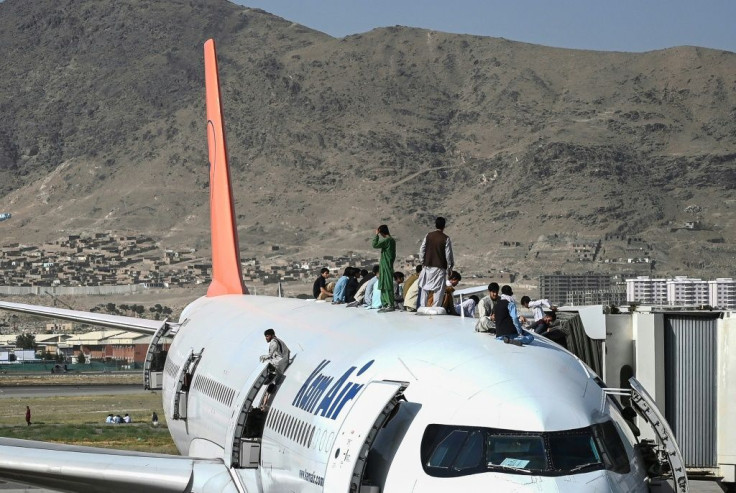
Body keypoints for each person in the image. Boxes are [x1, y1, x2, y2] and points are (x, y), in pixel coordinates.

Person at [417, 217, 454, 308]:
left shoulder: (428, 235)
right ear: (444, 226)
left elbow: (422, 249)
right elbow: (448, 255)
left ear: (435, 225)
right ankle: (435, 308)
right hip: (439, 268)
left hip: (427, 267)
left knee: (425, 287)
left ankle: (422, 307)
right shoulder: (446, 238)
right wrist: (450, 267)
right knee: (439, 289)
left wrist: (423, 261)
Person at [372, 225, 397, 312]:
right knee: (382, 284)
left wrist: (376, 235)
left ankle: (389, 304)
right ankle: (385, 304)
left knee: (387, 285)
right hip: (384, 265)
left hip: (386, 265)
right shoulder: (391, 240)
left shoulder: (388, 240)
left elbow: (374, 245)